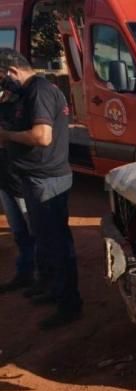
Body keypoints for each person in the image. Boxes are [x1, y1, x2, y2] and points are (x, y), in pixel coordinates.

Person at [0, 49, 81, 329]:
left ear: (11, 71)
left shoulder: (40, 91)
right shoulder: (25, 93)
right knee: (45, 241)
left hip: (47, 180)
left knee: (57, 242)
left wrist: (6, 135)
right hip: (33, 178)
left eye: (1, 77)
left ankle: (69, 305)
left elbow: (42, 136)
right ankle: (51, 289)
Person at [0, 84, 36, 294]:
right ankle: (25, 274)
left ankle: (45, 279)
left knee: (37, 233)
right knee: (19, 233)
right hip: (4, 181)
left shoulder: (19, 104)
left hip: (21, 180)